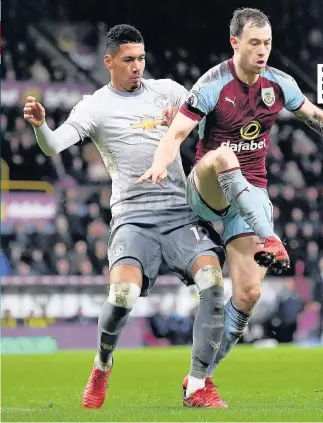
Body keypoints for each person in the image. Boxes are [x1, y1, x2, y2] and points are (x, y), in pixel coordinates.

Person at [138, 7, 323, 401]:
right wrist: (160, 163)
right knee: (226, 155)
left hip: (251, 196)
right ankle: (270, 238)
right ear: (235, 43)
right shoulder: (212, 83)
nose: (263, 51)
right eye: (255, 43)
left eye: (268, 43)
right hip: (208, 184)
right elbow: (176, 133)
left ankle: (198, 382)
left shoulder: (279, 84)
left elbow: (321, 119)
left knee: (247, 296)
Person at [23, 24, 228, 409]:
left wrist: (186, 124)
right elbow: (53, 146)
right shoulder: (94, 105)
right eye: (129, 60)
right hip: (133, 219)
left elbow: (211, 128)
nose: (138, 67)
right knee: (123, 295)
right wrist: (40, 127)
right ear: (109, 61)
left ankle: (198, 384)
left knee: (214, 283)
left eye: (142, 59)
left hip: (180, 214)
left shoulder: (168, 91)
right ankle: (102, 366)